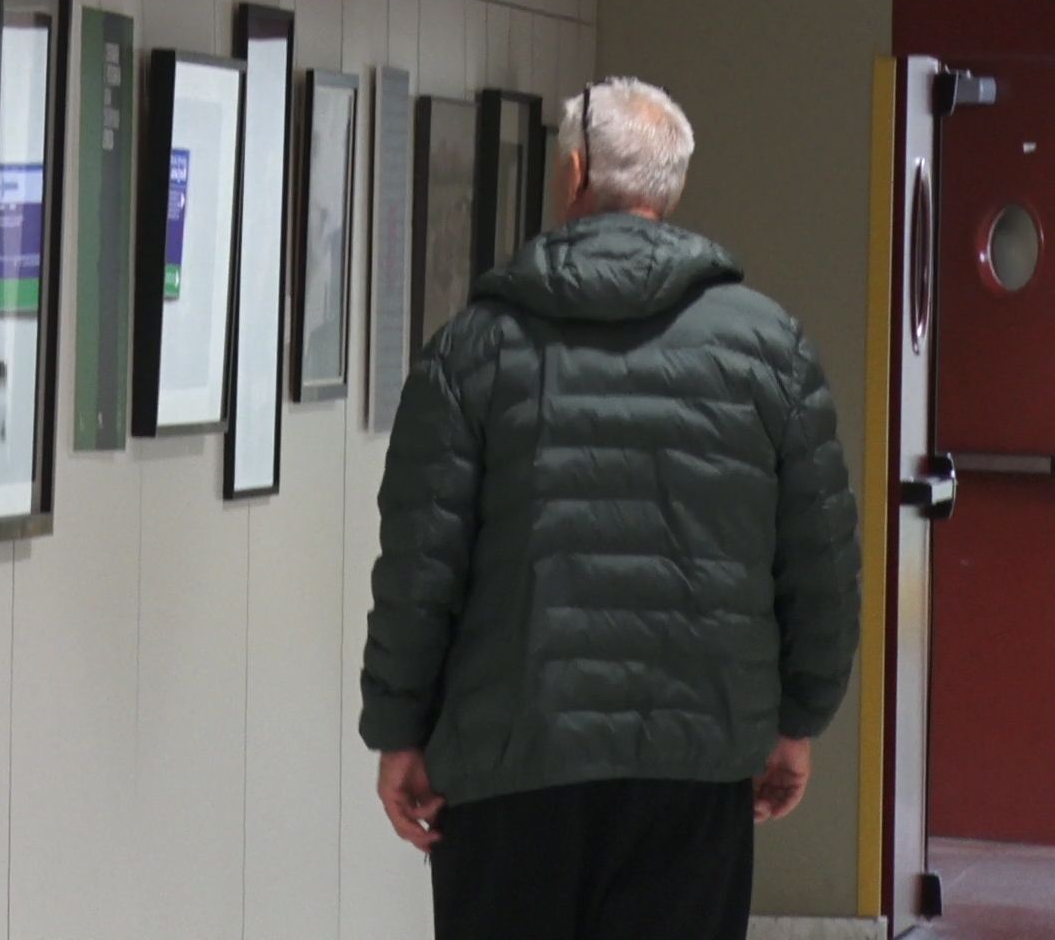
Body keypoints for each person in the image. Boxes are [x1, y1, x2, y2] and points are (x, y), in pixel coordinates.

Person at [362, 77, 860, 939]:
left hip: (508, 767)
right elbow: (819, 561)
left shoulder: (471, 351)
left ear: (575, 174)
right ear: (668, 189)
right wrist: (795, 722)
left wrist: (399, 730)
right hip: (695, 769)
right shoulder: (770, 350)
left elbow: (418, 566)